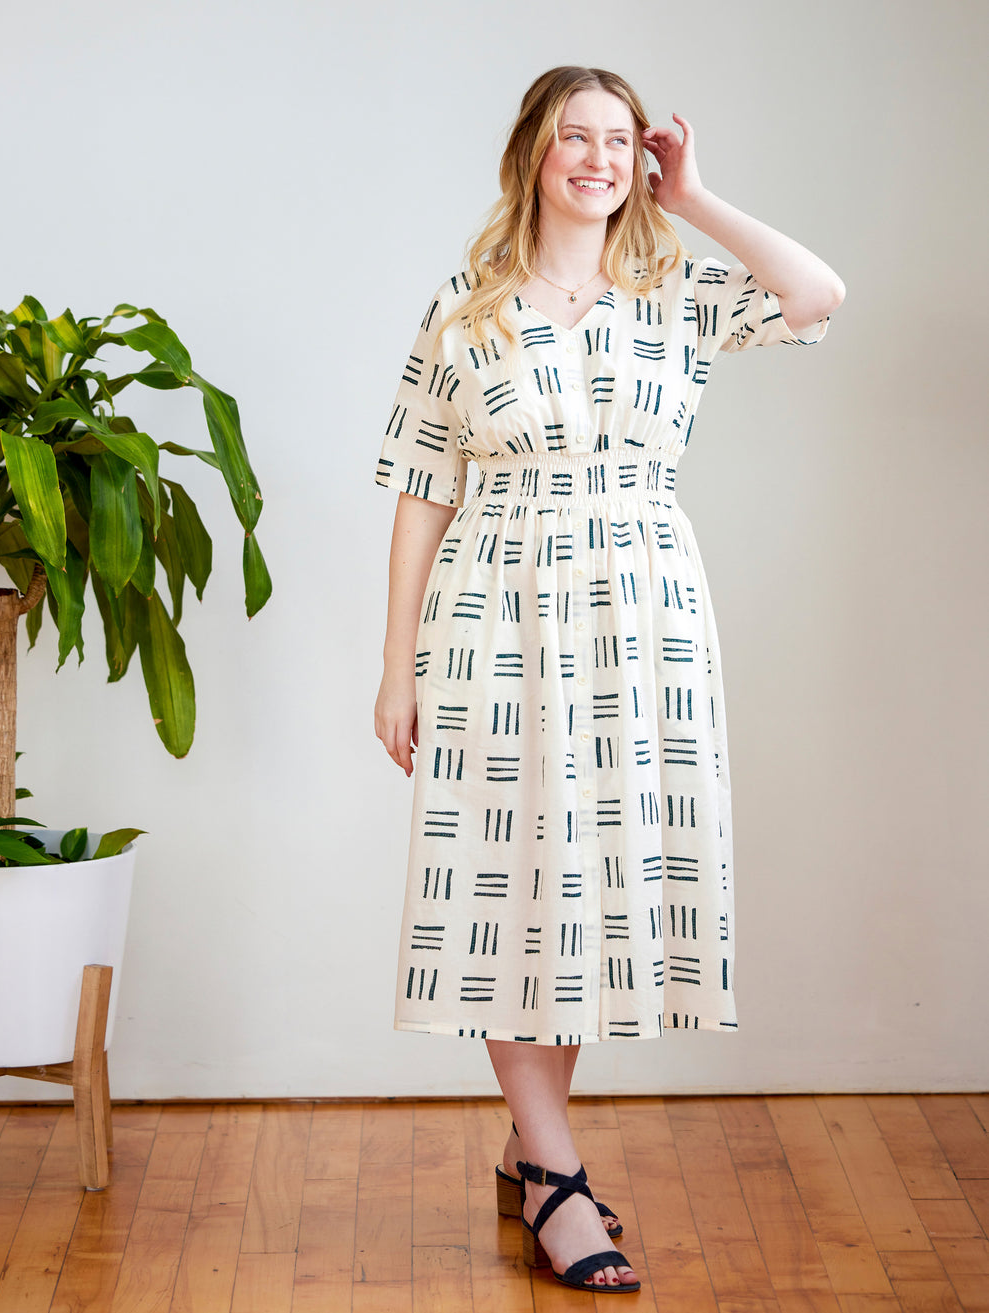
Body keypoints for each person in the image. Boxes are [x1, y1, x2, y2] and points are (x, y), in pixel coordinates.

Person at [374, 65, 844, 1294]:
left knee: (581, 887)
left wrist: (693, 197)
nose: (595, 156)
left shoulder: (676, 288)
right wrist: (397, 669)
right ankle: (561, 1182)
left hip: (643, 617)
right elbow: (425, 494)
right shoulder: (467, 308)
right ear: (532, 152)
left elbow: (817, 292)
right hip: (497, 609)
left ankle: (535, 1149)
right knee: (508, 878)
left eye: (619, 140)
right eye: (572, 136)